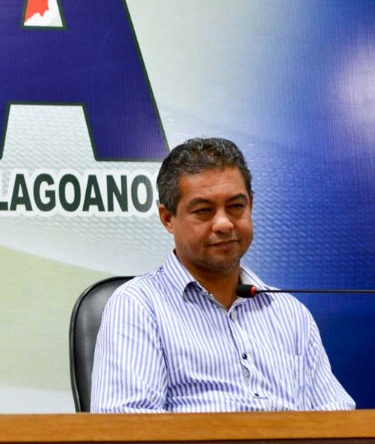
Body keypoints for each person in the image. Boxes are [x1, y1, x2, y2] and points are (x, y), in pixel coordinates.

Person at [90, 137, 354, 413]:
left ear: (251, 205)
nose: (224, 224)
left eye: (236, 207)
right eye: (204, 211)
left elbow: (337, 415)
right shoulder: (138, 307)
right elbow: (127, 424)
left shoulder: (290, 313)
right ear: (168, 218)